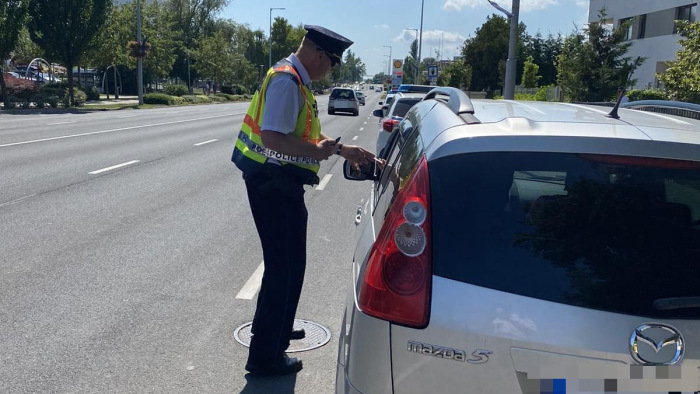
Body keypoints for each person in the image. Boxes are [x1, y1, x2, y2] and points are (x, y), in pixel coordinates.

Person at [231, 25, 374, 376]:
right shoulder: (286, 81)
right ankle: (266, 355)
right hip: (273, 183)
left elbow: (303, 132)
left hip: (278, 182)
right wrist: (317, 152)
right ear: (320, 54)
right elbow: (273, 137)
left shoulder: (293, 78)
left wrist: (340, 149)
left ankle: (275, 327)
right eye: (334, 62)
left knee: (286, 265)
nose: (333, 70)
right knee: (285, 267)